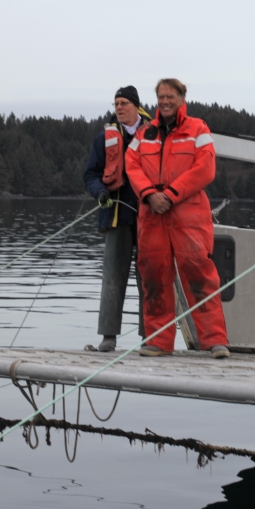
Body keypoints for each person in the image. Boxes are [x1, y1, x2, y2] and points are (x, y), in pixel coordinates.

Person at [124, 78, 230, 359]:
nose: (165, 101)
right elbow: (131, 166)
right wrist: (149, 194)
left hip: (188, 213)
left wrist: (170, 195)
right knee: (154, 276)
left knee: (199, 274)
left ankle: (215, 341)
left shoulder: (198, 129)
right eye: (160, 96)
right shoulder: (144, 133)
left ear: (182, 98)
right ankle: (159, 342)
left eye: (170, 96)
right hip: (151, 214)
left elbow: (205, 169)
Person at [82, 86, 151, 352]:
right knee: (113, 277)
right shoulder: (104, 138)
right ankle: (108, 337)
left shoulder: (154, 134)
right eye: (116, 103)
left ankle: (150, 337)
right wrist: (99, 192)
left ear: (136, 106)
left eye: (123, 103)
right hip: (115, 215)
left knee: (149, 277)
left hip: (149, 216)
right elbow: (90, 174)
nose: (119, 107)